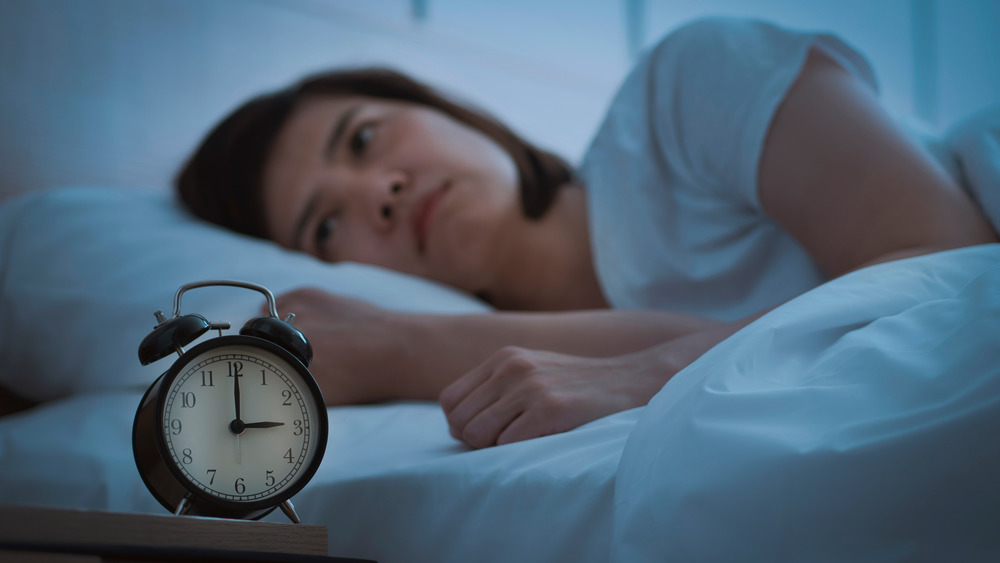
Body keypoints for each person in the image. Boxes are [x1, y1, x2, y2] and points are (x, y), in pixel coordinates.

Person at [175, 18, 997, 449]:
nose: (378, 194)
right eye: (326, 224)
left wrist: (650, 372)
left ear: (442, 107)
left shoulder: (684, 91)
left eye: (364, 138)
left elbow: (958, 271)